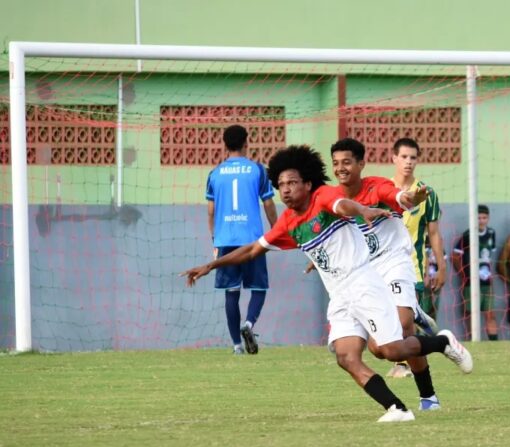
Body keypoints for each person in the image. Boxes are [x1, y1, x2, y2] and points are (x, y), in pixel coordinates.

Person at [182, 145, 472, 422]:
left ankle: (442, 342)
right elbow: (252, 250)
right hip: (340, 295)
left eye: (292, 182)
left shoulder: (322, 197)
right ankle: (397, 408)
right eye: (281, 184)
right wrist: (211, 264)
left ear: (307, 184)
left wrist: (363, 210)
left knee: (390, 351)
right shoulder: (287, 222)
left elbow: (342, 204)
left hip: (364, 283)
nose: (285, 189)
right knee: (346, 356)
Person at [328, 137, 443, 410]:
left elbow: (399, 197)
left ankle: (428, 396)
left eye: (346, 162)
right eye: (336, 163)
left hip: (399, 262)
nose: (341, 168)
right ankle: (429, 331)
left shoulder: (380, 186)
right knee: (381, 349)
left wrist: (410, 197)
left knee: (403, 327)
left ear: (361, 164)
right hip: (366, 273)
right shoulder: (334, 199)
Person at [206, 125, 277, 355]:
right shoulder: (258, 170)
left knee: (231, 292)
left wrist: (215, 242)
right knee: (259, 287)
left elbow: (211, 210)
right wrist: (277, 230)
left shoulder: (215, 173)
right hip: (252, 240)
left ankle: (237, 346)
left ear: (224, 145)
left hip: (225, 240)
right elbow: (268, 203)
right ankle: (249, 324)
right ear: (247, 142)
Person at [388, 137, 446, 378]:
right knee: (393, 320)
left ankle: (404, 364)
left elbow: (433, 233)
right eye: (404, 157)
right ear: (394, 158)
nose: (408, 162)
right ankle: (420, 325)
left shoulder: (427, 193)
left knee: (404, 322)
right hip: (383, 266)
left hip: (413, 268)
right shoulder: (383, 189)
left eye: (413, 157)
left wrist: (441, 267)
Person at [452, 205, 498, 340]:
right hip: (470, 282)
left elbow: (489, 257)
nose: (481, 220)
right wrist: (463, 274)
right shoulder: (468, 235)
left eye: (484, 218)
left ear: (488, 218)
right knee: (471, 314)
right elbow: (455, 256)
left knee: (490, 313)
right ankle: (473, 341)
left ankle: (494, 343)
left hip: (486, 281)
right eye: (478, 218)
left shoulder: (491, 233)